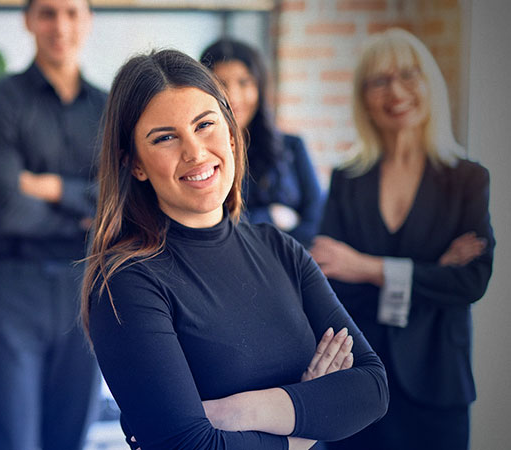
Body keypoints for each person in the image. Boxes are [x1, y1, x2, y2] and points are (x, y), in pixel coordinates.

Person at [82, 49, 389, 450]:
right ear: (135, 164)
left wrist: (236, 412)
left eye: (204, 125)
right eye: (165, 137)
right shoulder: (126, 282)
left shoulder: (281, 248)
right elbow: (190, 446)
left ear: (230, 133)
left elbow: (371, 387)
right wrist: (307, 423)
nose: (194, 152)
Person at [312, 28, 494, 450]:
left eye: (408, 75)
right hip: (358, 378)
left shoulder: (467, 179)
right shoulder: (348, 179)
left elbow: (470, 283)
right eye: (379, 80)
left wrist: (367, 267)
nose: (395, 91)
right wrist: (431, 273)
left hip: (438, 381)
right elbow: (329, 281)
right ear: (363, 97)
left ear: (429, 84)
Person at [0, 0, 106, 448]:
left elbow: (116, 199)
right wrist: (82, 207)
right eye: (47, 12)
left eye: (71, 12)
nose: (59, 26)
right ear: (27, 20)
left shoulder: (111, 108)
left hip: (86, 288)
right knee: (14, 440)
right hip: (12, 289)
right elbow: (5, 206)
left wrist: (48, 187)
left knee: (71, 438)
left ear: (88, 20)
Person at [200, 38, 323, 245]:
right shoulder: (201, 157)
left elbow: (317, 219)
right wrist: (269, 216)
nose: (233, 97)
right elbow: (209, 225)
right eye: (221, 84)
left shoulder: (292, 146)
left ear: (260, 86)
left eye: (244, 82)